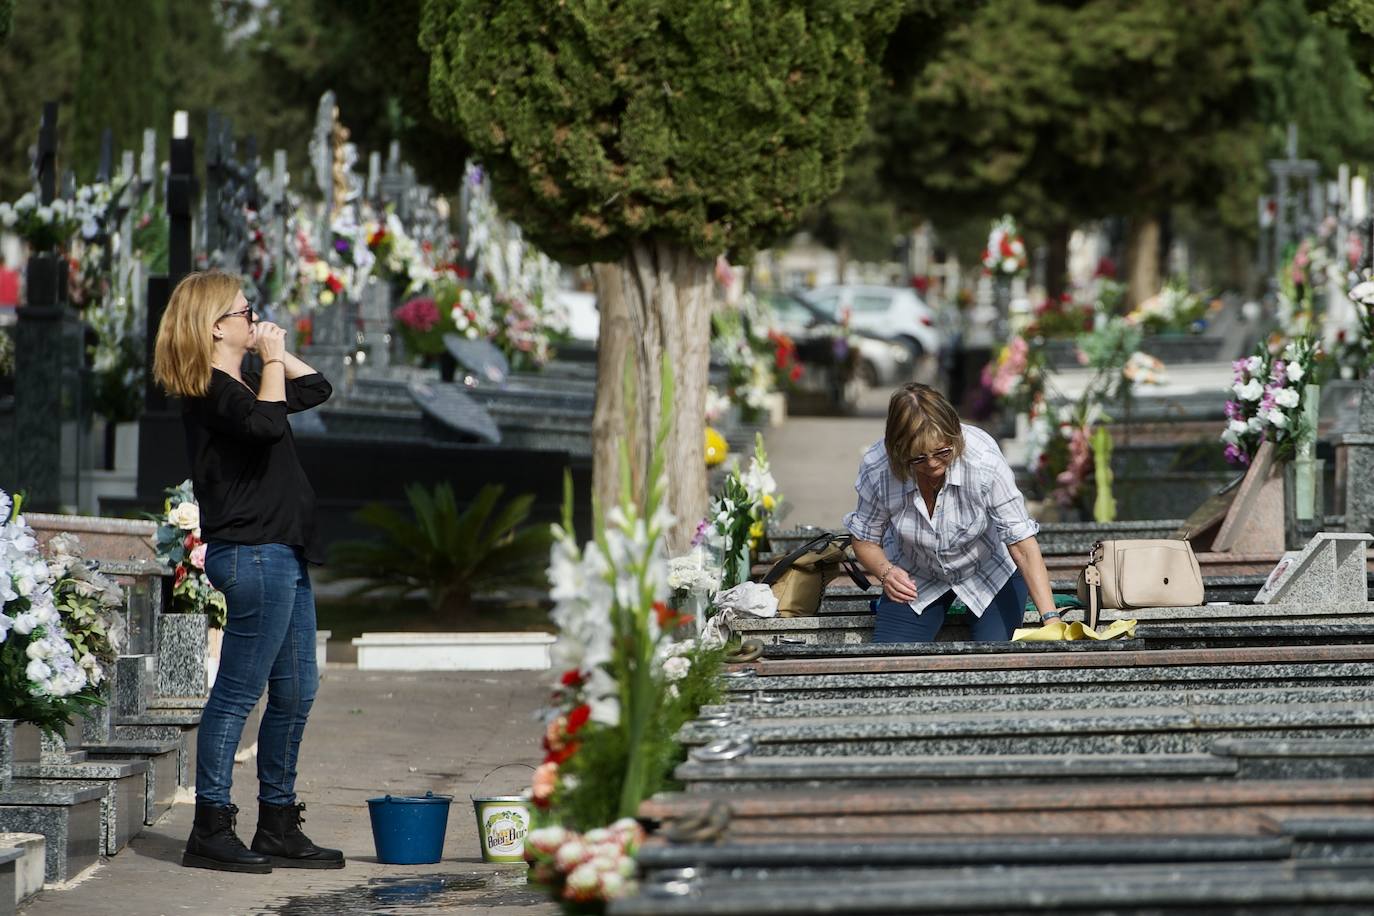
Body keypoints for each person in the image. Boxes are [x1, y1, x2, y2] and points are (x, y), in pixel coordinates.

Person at [152, 271, 343, 873]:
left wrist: (272, 353)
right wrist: (270, 361)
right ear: (215, 327)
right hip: (253, 551)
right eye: (244, 312)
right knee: (238, 691)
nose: (255, 319)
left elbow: (317, 388)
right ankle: (210, 825)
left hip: (284, 550)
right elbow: (265, 425)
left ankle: (277, 823)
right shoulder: (209, 389)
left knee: (297, 689)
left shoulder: (246, 382)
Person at [844, 383, 1060, 643]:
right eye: (918, 458)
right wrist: (886, 572)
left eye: (942, 452)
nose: (932, 464)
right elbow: (865, 539)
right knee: (891, 661)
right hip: (915, 572)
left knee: (996, 660)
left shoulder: (983, 460)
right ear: (898, 450)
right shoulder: (878, 467)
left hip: (989, 568)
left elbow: (1022, 545)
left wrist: (1051, 620)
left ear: (954, 435)